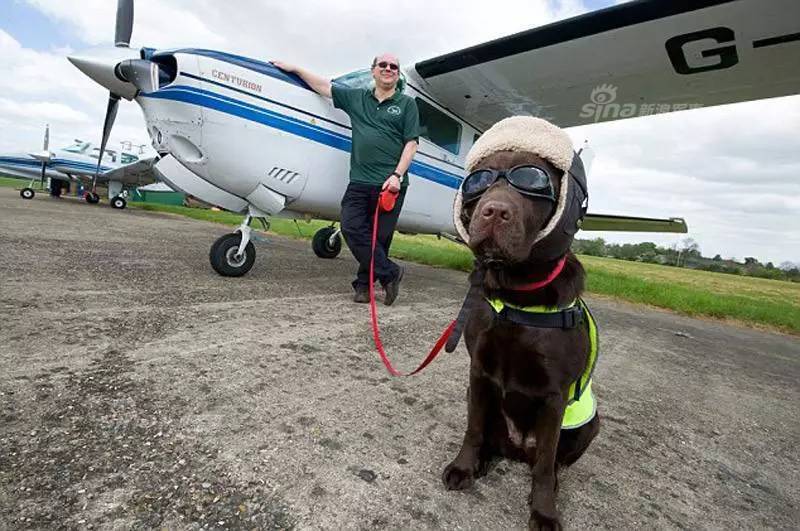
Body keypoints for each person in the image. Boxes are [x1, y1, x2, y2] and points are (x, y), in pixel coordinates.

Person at [273, 54, 420, 306]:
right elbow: (324, 86)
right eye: (382, 65)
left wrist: (397, 175)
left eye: (393, 66)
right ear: (373, 71)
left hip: (391, 184)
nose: (388, 69)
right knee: (351, 228)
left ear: (397, 74)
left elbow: (411, 143)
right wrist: (296, 68)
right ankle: (391, 273)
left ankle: (363, 286)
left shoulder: (406, 105)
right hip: (360, 181)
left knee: (380, 240)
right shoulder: (357, 98)